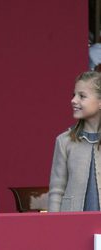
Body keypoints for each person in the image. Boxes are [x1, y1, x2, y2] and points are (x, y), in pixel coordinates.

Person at [48, 71, 101, 212]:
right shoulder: (64, 141)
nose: (74, 100)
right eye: (74, 95)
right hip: (72, 227)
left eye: (82, 96)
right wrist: (54, 224)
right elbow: (56, 191)